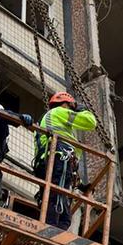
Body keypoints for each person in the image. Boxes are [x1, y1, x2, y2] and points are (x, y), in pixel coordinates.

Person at [33, 92, 97, 229]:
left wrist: (79, 185)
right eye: (71, 107)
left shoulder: (50, 120)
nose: (71, 111)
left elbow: (66, 167)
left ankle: (58, 228)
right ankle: (52, 229)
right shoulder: (60, 112)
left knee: (58, 197)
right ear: (65, 104)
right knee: (57, 197)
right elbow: (91, 122)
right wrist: (81, 109)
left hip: (51, 162)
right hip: (58, 159)